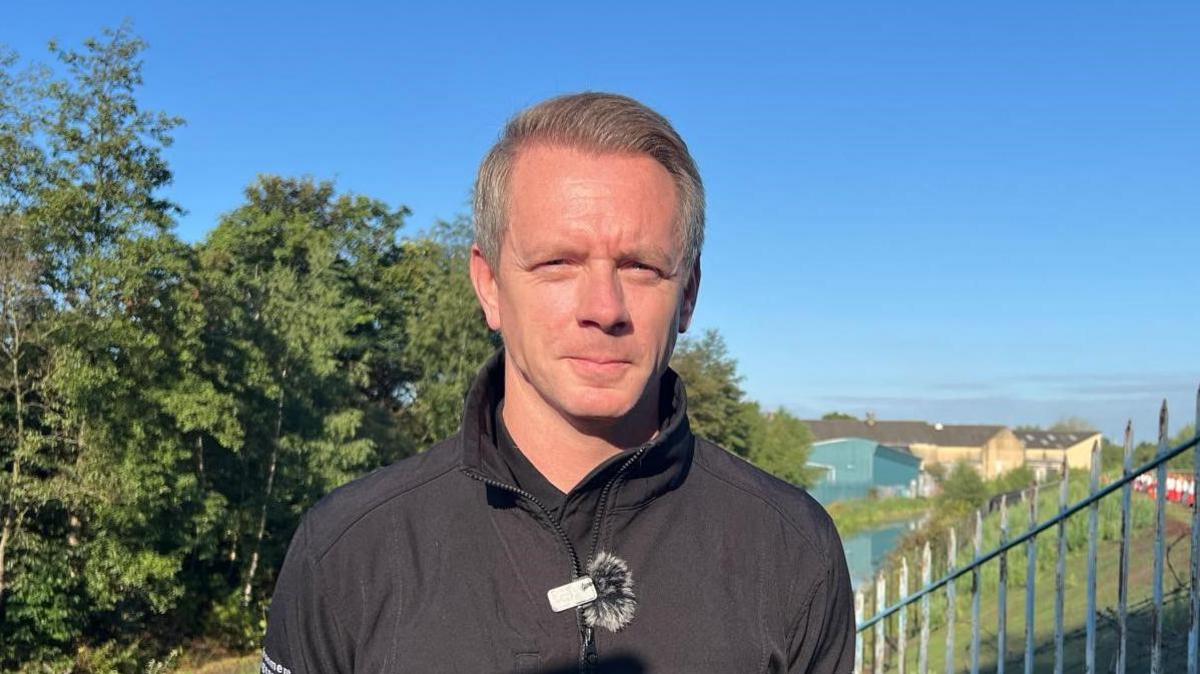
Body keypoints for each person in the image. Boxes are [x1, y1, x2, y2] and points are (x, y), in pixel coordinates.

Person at [262, 92, 855, 673]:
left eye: (640, 267)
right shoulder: (348, 552)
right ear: (490, 284)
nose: (603, 307)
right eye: (557, 264)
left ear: (688, 295)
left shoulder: (792, 552)